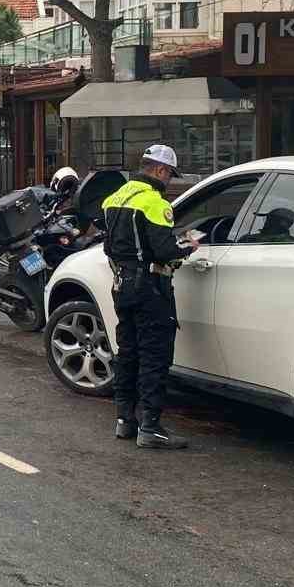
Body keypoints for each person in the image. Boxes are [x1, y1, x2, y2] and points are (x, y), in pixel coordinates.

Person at [102, 144, 197, 450]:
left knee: (128, 351)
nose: (169, 181)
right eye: (169, 174)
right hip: (150, 287)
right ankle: (151, 427)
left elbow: (108, 247)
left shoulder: (114, 198)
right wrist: (188, 247)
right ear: (159, 170)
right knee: (154, 355)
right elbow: (165, 250)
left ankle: (125, 420)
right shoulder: (154, 203)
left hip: (122, 284)